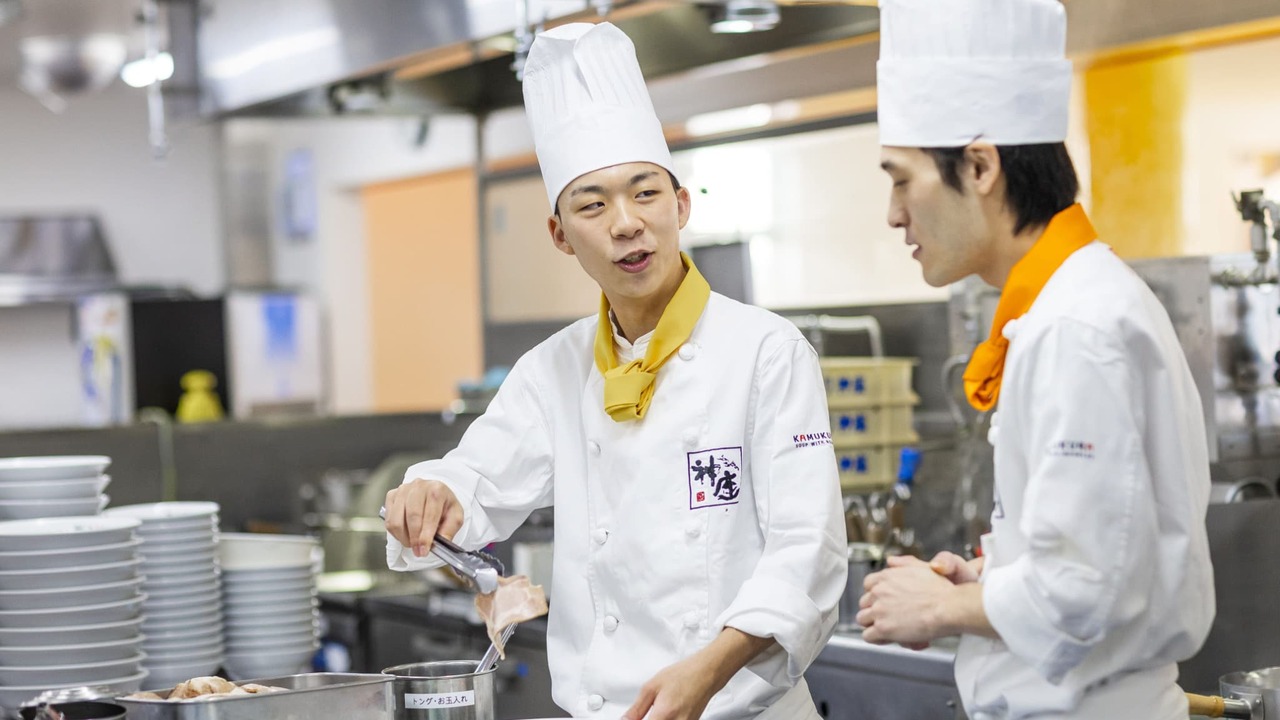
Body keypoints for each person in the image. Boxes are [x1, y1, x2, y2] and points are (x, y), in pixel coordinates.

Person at [382, 21, 846, 720]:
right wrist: (430, 494)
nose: (626, 223)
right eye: (592, 205)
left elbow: (807, 554)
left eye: (646, 194)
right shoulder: (555, 369)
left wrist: (706, 672)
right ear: (560, 235)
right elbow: (474, 479)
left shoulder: (766, 353)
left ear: (682, 205)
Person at [854, 1, 1216, 718]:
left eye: (901, 179)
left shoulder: (1075, 326)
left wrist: (941, 610)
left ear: (981, 166)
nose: (894, 214)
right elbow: (1105, 554)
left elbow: (1082, 588)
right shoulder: (1068, 306)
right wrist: (986, 580)